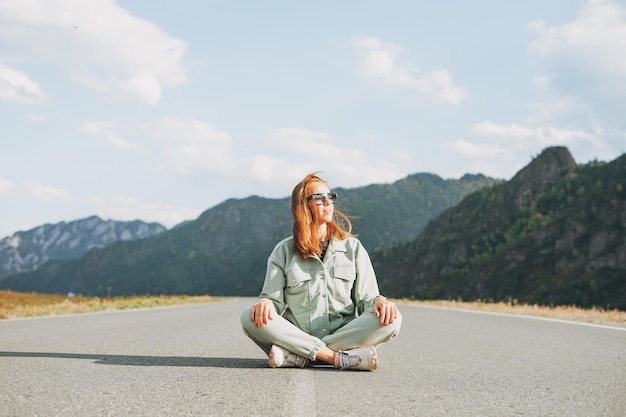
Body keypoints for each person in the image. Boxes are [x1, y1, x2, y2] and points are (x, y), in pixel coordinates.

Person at [241, 173, 402, 370]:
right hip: (301, 333)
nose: (328, 202)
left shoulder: (353, 248)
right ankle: (337, 358)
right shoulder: (283, 251)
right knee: (249, 316)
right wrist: (265, 301)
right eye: (319, 198)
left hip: (342, 334)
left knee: (393, 318)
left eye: (330, 197)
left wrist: (380, 301)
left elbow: (368, 298)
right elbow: (272, 302)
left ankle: (298, 355)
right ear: (303, 206)